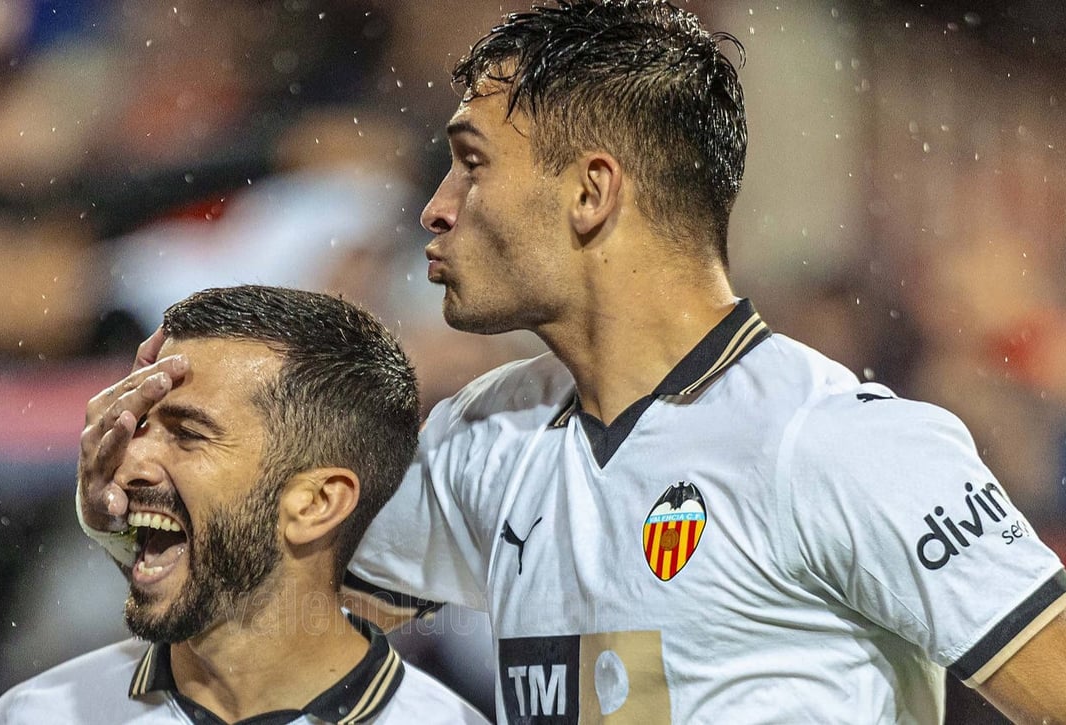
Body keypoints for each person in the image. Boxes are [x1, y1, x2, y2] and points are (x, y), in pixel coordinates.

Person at [77, 2, 1066, 722]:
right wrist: (135, 509)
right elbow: (254, 598)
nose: (434, 206)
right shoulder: (485, 445)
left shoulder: (841, 446)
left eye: (469, 162)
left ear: (590, 193)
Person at [0, 286, 487, 724]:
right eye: (139, 426)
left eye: (187, 434)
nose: (127, 464)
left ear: (317, 503)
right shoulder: (42, 712)